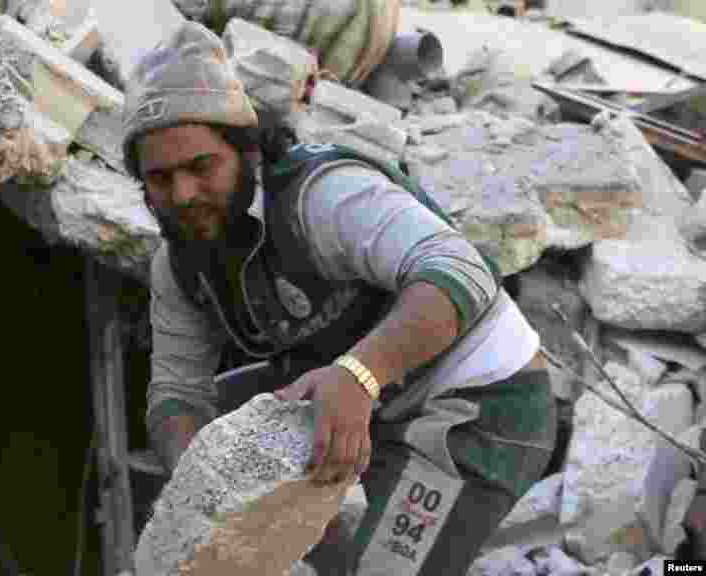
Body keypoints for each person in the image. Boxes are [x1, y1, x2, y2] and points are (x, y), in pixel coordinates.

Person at [123, 21, 557, 576]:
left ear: (247, 151)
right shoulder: (180, 262)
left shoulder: (321, 195)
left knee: (386, 568)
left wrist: (359, 375)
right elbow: (177, 393)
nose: (183, 194)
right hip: (371, 403)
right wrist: (201, 495)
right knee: (231, 439)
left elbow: (461, 273)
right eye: (160, 178)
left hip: (477, 398)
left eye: (201, 167)